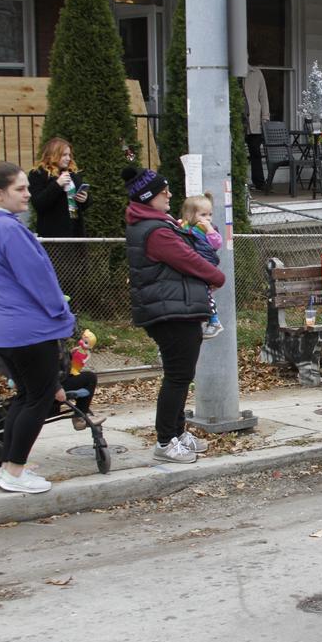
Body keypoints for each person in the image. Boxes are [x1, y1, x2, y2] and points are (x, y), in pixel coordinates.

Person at [0, 162, 75, 493]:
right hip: (28, 327)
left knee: (27, 396)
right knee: (39, 398)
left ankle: (10, 465)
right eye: (20, 189)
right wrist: (61, 312)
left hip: (3, 328)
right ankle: (14, 470)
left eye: (28, 187)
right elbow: (37, 278)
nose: (28, 194)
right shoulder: (9, 230)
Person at [124, 166, 225, 464]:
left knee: (181, 375)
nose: (168, 194)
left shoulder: (158, 224)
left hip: (174, 307)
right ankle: (166, 440)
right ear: (147, 196)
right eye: (162, 190)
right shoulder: (155, 231)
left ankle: (177, 433)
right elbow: (188, 259)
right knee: (178, 376)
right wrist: (215, 277)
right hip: (169, 311)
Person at [179, 194, 224, 339]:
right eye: (203, 214)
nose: (208, 218)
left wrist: (210, 230)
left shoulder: (210, 229)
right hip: (192, 265)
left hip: (206, 264)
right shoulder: (185, 226)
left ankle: (214, 321)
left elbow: (217, 243)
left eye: (210, 214)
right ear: (190, 215)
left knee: (206, 293)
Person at [28, 137, 91, 237]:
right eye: (64, 155)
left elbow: (80, 206)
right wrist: (57, 184)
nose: (68, 158)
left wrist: (85, 199)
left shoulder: (73, 173)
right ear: (53, 155)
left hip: (76, 231)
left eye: (69, 155)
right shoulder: (38, 174)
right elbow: (38, 204)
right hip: (53, 235)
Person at [243, 64, 270, 192]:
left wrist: (265, 117)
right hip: (237, 120)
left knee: (255, 152)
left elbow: (263, 97)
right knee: (236, 152)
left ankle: (259, 182)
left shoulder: (256, 73)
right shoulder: (232, 72)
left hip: (253, 120)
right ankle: (238, 182)